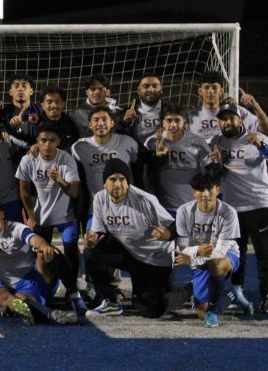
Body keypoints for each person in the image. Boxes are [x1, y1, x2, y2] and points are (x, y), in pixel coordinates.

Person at [210, 102, 268, 314]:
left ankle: (266, 296)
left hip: (258, 204)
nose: (227, 122)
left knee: (264, 254)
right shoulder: (216, 143)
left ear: (240, 119)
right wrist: (215, 165)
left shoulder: (256, 137)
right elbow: (213, 177)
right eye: (223, 119)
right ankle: (237, 292)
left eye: (231, 118)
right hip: (232, 209)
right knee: (237, 253)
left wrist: (261, 146)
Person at [83, 160, 184, 318]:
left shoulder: (144, 200)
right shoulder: (100, 199)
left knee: (150, 310)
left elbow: (178, 225)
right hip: (129, 253)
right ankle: (110, 301)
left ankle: (184, 291)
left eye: (122, 179)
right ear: (104, 183)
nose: (118, 184)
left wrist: (168, 234)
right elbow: (98, 233)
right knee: (91, 253)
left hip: (154, 258)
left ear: (128, 183)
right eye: (113, 179)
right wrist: (91, 241)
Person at [0, 197, 78, 324]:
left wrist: (44, 246)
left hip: (35, 277)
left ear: (2, 214)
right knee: (13, 298)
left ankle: (69, 299)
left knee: (48, 251)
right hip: (13, 285)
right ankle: (48, 313)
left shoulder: (15, 228)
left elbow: (34, 239)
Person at [15, 124, 84, 313]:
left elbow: (74, 192)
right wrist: (31, 216)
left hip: (65, 216)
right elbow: (23, 191)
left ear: (59, 142)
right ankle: (47, 289)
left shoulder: (66, 159)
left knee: (70, 251)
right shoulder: (29, 159)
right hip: (41, 216)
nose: (47, 144)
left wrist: (60, 180)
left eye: (52, 140)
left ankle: (74, 292)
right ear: (37, 142)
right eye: (43, 140)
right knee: (42, 255)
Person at [172, 173, 246, 327]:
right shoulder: (183, 211)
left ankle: (213, 309)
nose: (205, 194)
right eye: (200, 189)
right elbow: (183, 247)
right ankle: (231, 295)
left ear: (217, 190)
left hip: (226, 256)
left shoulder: (228, 213)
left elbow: (219, 252)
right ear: (194, 192)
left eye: (209, 189)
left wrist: (192, 258)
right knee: (200, 314)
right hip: (199, 258)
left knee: (216, 265)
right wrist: (197, 252)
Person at [71, 106, 139, 223]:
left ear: (112, 123)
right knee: (93, 241)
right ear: (90, 125)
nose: (101, 123)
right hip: (96, 211)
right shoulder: (79, 147)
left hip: (126, 209)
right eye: (96, 120)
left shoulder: (128, 143)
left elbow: (139, 167)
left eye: (104, 119)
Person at [143, 104, 212, 214]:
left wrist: (217, 164)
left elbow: (210, 174)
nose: (173, 125)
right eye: (169, 120)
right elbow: (146, 176)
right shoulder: (151, 143)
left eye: (177, 120)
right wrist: (157, 158)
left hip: (192, 206)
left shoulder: (198, 143)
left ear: (184, 122)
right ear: (163, 122)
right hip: (163, 208)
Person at [187, 72, 268, 142]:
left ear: (221, 91)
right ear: (200, 91)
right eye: (207, 87)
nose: (211, 91)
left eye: (214, 88)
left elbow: (267, 129)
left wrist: (255, 106)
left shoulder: (235, 111)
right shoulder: (190, 116)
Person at [0, 73, 43, 145]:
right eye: (16, 86)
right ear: (10, 92)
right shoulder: (2, 114)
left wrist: (21, 127)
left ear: (31, 91)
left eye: (24, 86)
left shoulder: (40, 112)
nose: (20, 89)